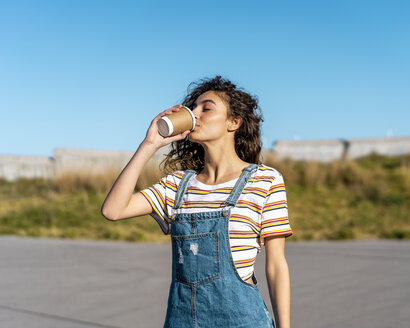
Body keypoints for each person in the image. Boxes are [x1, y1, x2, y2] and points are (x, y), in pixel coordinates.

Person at [101, 76, 292, 328]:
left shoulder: (265, 180)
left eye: (207, 108)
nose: (195, 115)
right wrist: (150, 144)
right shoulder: (176, 186)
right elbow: (113, 210)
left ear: (233, 122)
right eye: (194, 109)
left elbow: (277, 266)